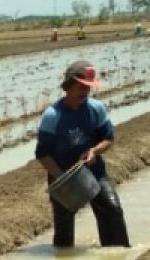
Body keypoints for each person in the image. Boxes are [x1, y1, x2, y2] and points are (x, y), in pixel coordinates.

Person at [34, 60, 130, 248]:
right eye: (81, 87)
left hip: (94, 173)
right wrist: (64, 179)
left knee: (113, 210)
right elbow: (42, 153)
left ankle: (118, 253)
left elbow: (108, 138)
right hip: (61, 176)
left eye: (88, 88)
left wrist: (95, 150)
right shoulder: (53, 116)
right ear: (69, 86)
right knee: (64, 233)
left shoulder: (96, 108)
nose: (85, 93)